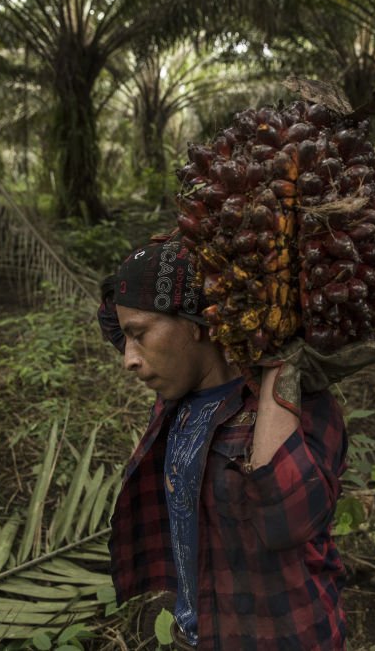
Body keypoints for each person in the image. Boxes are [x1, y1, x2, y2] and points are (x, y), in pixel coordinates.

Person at [99, 236, 350, 650]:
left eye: (139, 334)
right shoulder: (174, 404)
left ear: (195, 324)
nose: (128, 358)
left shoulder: (300, 407)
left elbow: (286, 519)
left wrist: (279, 352)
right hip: (202, 634)